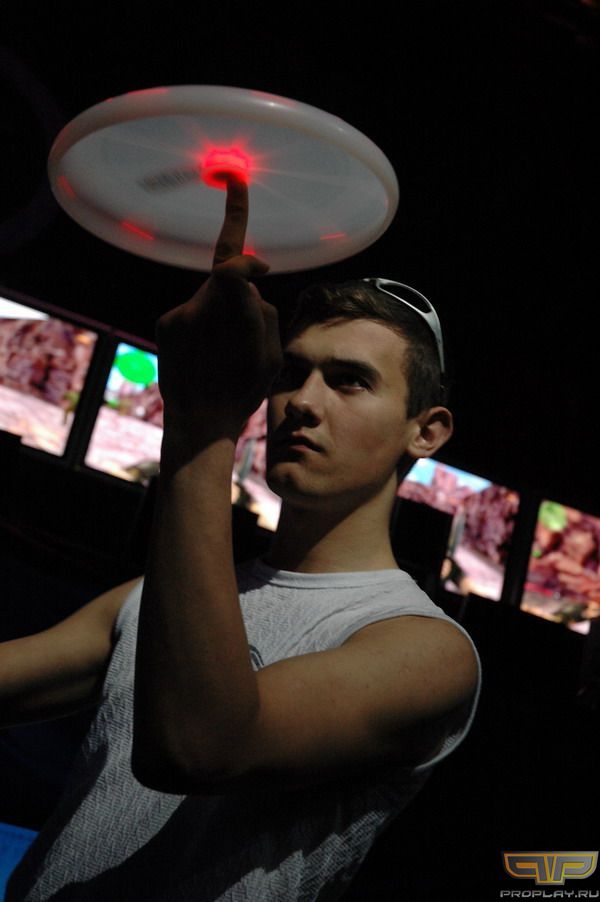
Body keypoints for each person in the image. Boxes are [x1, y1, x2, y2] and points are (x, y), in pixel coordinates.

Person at [4, 177, 481, 901]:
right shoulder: (162, 599)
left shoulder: (427, 650)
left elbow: (200, 748)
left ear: (427, 431)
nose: (302, 403)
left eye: (349, 381)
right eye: (292, 372)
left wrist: (201, 426)